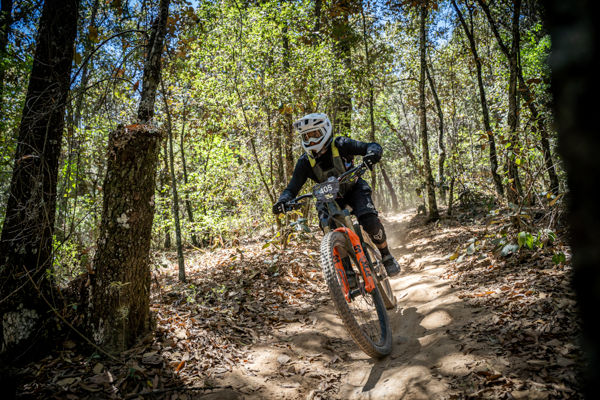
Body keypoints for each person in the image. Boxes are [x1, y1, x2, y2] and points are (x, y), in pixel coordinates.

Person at [272, 113, 401, 286]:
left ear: (325, 131)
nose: (310, 140)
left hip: (354, 188)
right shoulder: (304, 162)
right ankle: (347, 271)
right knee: (329, 228)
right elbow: (292, 188)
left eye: (314, 134)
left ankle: (386, 255)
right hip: (327, 198)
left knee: (370, 221)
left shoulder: (341, 144)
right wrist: (283, 200)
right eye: (306, 137)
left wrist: (372, 153)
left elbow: (370, 146)